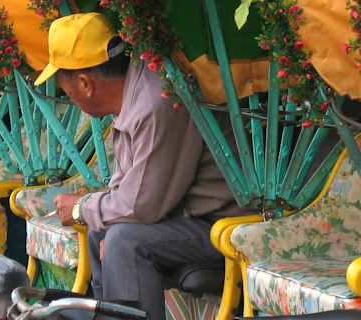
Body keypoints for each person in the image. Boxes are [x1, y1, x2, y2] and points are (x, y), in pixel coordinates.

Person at [38, 13, 250, 319]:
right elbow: (129, 187)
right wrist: (98, 214)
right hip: (187, 215)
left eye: (68, 92)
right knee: (102, 232)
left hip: (226, 223)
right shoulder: (133, 92)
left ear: (85, 84)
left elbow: (142, 206)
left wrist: (81, 208)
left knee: (125, 241)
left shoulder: (154, 102)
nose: (70, 98)